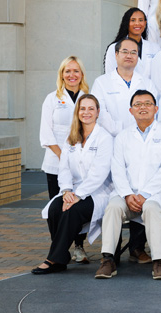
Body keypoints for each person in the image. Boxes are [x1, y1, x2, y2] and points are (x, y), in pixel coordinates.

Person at [94, 90, 161, 281]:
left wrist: (145, 194)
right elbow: (117, 169)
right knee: (114, 207)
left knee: (151, 207)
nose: (143, 108)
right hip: (127, 194)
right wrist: (126, 194)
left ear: (156, 109)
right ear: (131, 110)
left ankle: (159, 261)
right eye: (138, 104)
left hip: (156, 194)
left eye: (147, 104)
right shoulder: (122, 137)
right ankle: (108, 259)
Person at [33, 95, 112, 275]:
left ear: (98, 112)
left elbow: (99, 173)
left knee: (72, 210)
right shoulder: (71, 138)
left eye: (91, 109)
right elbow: (64, 168)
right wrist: (67, 190)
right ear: (77, 112)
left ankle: (53, 259)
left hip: (97, 192)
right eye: (82, 109)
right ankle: (60, 256)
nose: (86, 112)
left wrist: (78, 195)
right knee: (55, 208)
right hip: (73, 189)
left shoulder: (104, 138)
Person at [39, 56, 90, 260]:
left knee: (78, 205)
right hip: (55, 162)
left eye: (76, 71)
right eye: (67, 71)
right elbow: (46, 133)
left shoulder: (88, 98)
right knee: (57, 207)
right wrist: (63, 158)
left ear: (82, 75)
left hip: (82, 164)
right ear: (61, 74)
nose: (72, 75)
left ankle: (79, 246)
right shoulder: (52, 98)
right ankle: (59, 248)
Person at [92, 38, 154, 137]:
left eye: (133, 52)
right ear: (116, 55)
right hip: (112, 139)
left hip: (142, 138)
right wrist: (119, 132)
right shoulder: (101, 83)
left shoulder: (148, 84)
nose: (129, 56)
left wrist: (139, 132)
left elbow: (153, 112)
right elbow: (101, 114)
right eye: (125, 52)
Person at [103, 7, 158, 78]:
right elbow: (110, 75)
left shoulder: (155, 48)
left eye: (141, 20)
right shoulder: (114, 48)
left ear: (145, 23)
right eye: (133, 20)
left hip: (150, 88)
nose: (137, 23)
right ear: (127, 23)